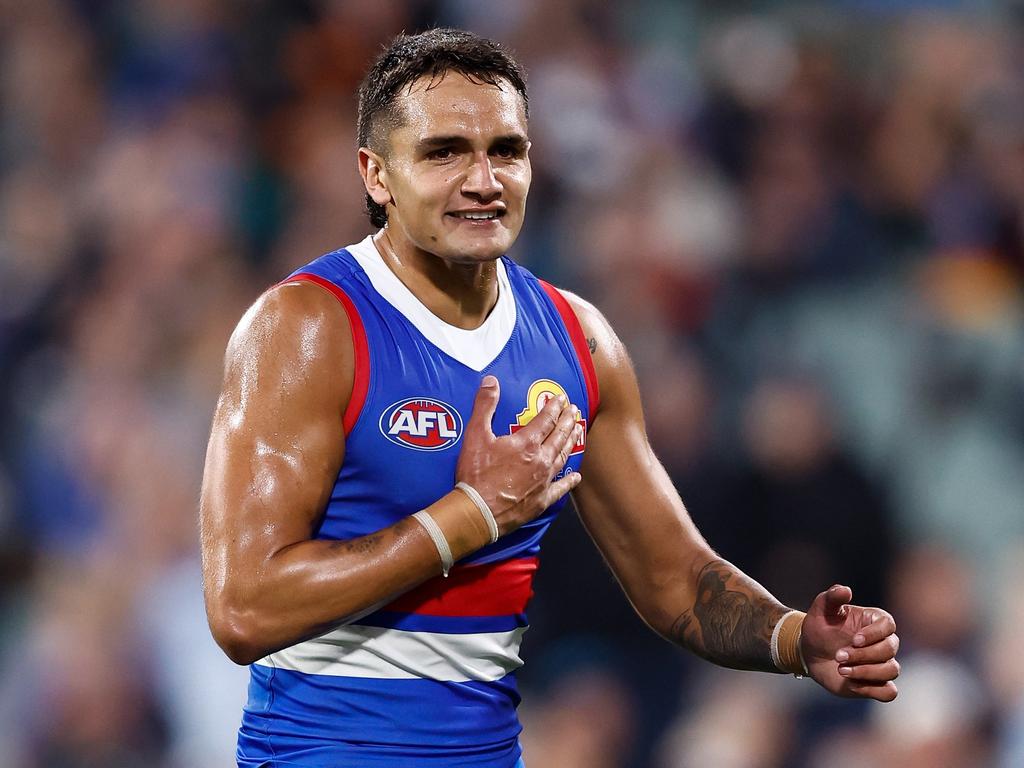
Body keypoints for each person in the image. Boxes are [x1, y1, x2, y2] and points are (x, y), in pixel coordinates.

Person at [200, 28, 900, 768]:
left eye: (506, 149)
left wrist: (794, 639)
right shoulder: (308, 327)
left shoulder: (577, 340)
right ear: (377, 175)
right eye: (444, 153)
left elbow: (674, 580)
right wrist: (469, 517)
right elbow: (244, 608)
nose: (483, 179)